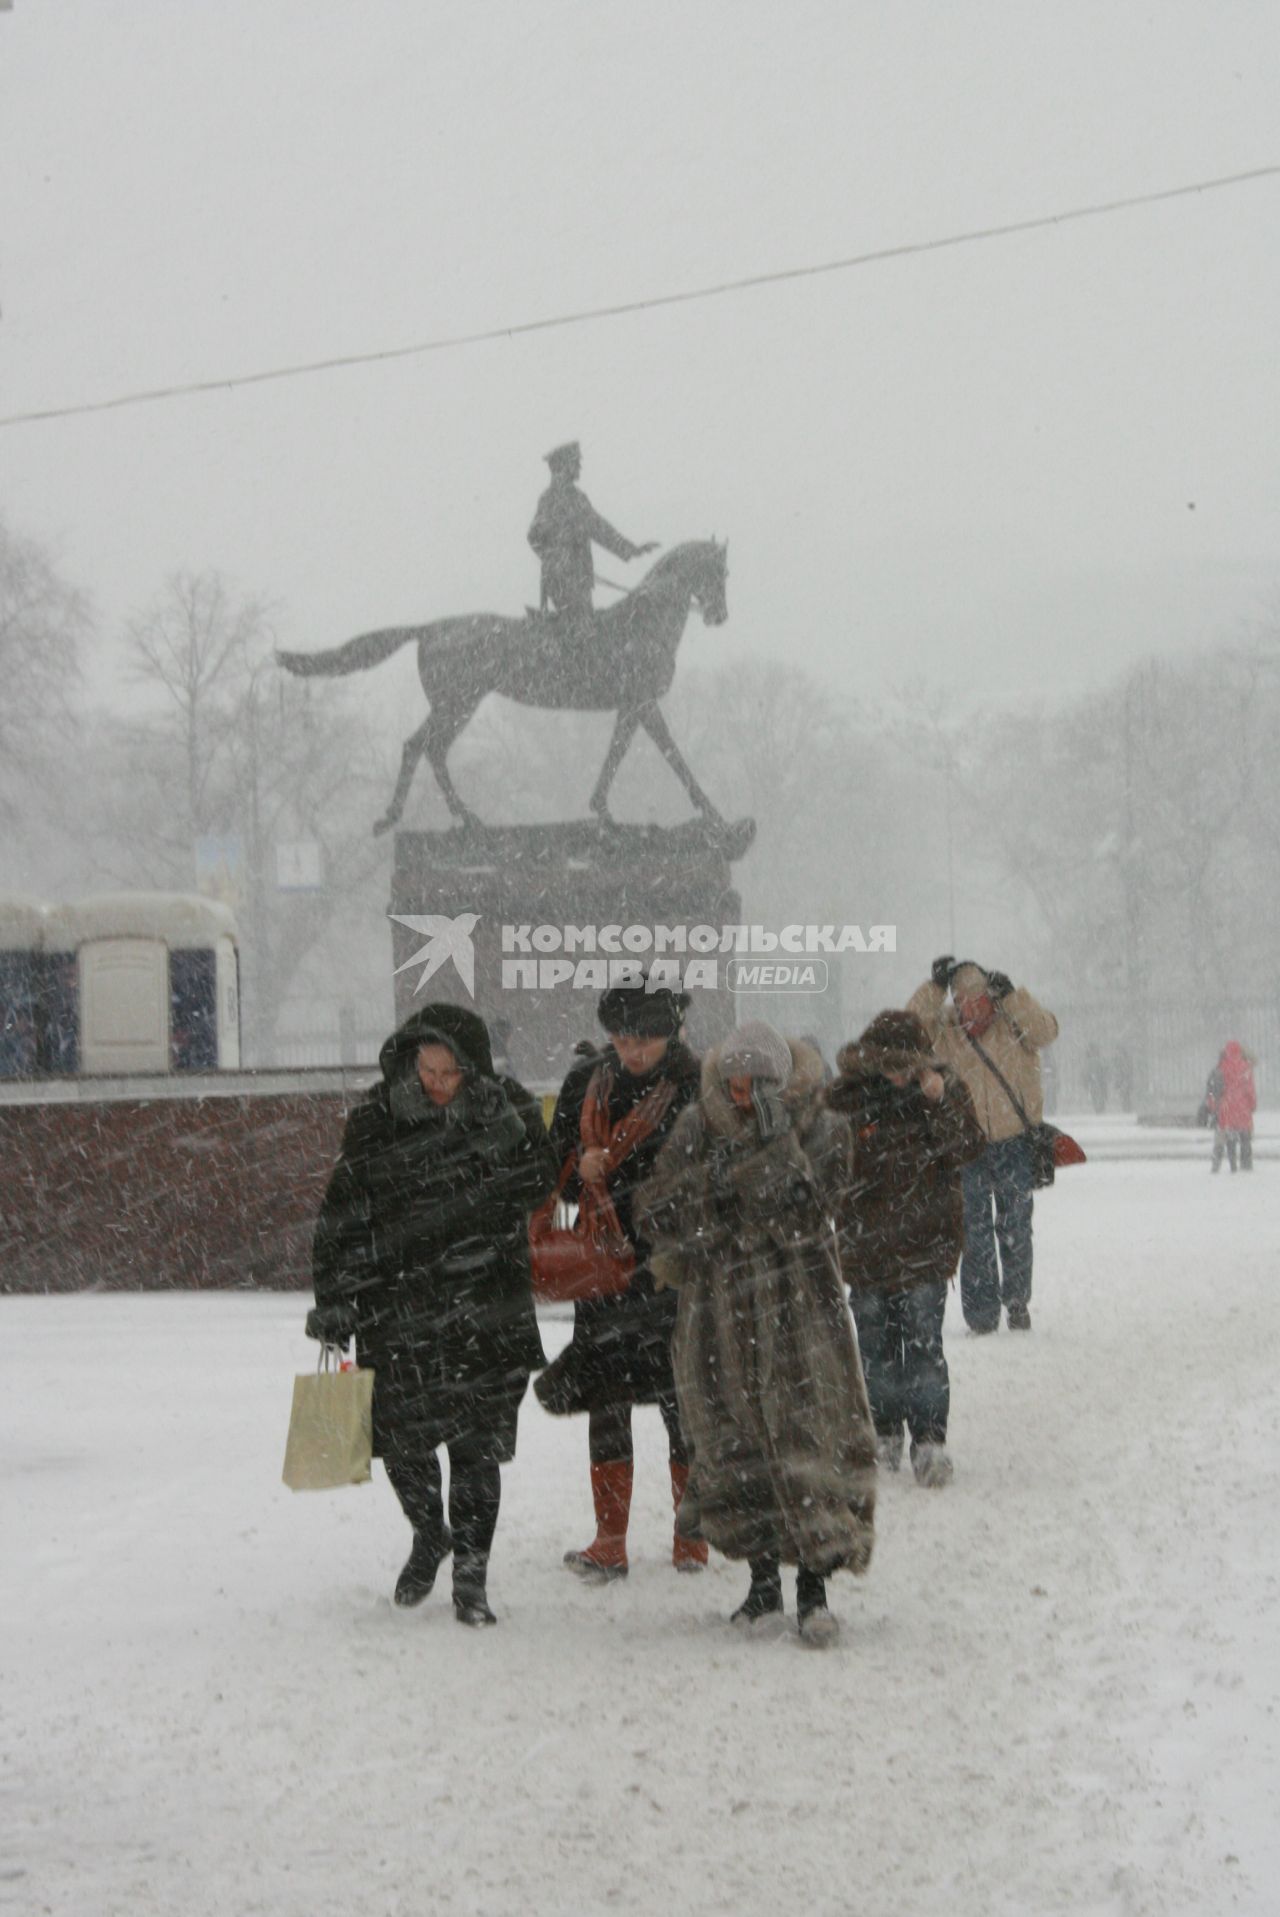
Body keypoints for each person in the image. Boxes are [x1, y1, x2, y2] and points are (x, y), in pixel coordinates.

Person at [305, 1005, 557, 1626]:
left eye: (449, 1072)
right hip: (401, 1307)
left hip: (487, 1306)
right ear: (411, 1060)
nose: (437, 1082)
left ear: (472, 1069)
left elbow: (541, 1182)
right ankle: (429, 1533)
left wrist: (509, 1136)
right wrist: (334, 1296)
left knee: (477, 1452)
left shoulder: (507, 1111)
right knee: (402, 1445)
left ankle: (471, 1581)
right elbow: (340, 1211)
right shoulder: (376, 1120)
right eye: (427, 1068)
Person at [636, 1022, 877, 1646]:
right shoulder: (696, 1128)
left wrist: (769, 1154)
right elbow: (655, 1210)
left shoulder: (824, 1129)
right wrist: (715, 1184)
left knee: (809, 1445)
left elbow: (807, 1215)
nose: (742, 1098)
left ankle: (814, 1590)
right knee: (738, 1448)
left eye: (755, 1087)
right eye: (733, 1086)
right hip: (719, 1318)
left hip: (803, 1319)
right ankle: (762, 1583)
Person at [536, 979, 702, 1580]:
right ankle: (610, 1539)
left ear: (671, 1034)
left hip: (673, 1268)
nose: (630, 1052)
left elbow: (713, 1175)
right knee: (606, 1395)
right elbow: (552, 1163)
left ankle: (692, 1536)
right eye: (621, 1039)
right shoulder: (587, 1082)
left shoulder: (694, 1085)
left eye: (644, 1041)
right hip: (604, 1267)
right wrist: (580, 1167)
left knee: (682, 1401)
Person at [827, 1011, 985, 1487]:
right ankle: (883, 1433)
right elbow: (828, 1162)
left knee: (923, 1346)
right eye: (890, 1065)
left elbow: (968, 1149)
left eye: (906, 1066)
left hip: (925, 1246)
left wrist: (938, 1105)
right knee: (874, 1348)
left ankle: (930, 1441)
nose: (898, 1076)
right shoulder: (845, 1099)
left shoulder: (943, 1092)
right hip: (867, 1247)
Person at [908, 958, 1059, 1334]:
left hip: (1014, 1142)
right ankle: (981, 1315)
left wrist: (1015, 998)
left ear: (992, 999)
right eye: (961, 1003)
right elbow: (906, 1030)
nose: (970, 1011)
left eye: (978, 1001)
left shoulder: (1014, 1024)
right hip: (966, 1146)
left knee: (1016, 1227)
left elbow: (1047, 1031)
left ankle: (1017, 1301)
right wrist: (933, 988)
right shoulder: (944, 1034)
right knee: (973, 1232)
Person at [527, 441, 658, 624]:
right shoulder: (569, 498)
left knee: (583, 631)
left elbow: (535, 537)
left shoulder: (557, 497)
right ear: (564, 466)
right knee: (583, 631)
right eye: (575, 462)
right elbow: (599, 528)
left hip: (572, 579)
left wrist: (552, 560)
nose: (579, 467)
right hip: (568, 582)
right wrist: (558, 561)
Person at [1204, 1041, 1257, 1173]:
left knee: (1229, 1137)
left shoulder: (1221, 1067)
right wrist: (1252, 1104)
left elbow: (1214, 1089)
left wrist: (1213, 1106)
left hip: (1226, 1109)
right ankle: (1246, 1164)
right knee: (1245, 1138)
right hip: (1243, 1109)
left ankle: (1230, 1166)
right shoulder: (1246, 1068)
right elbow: (1250, 1090)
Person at [1083, 1042, 1109, 1115]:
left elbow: (1086, 1070)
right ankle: (1100, 1106)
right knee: (1097, 1093)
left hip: (1095, 1079)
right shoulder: (1096, 1059)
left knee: (1096, 1093)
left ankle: (1099, 1106)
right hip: (1097, 1079)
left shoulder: (1091, 1060)